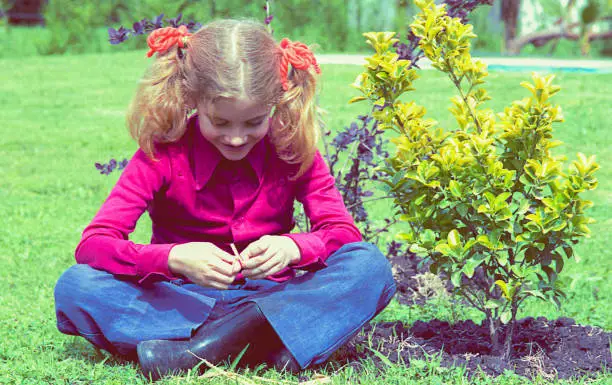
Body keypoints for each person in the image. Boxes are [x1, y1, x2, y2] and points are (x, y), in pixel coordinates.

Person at [53, 19, 396, 380]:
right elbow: (94, 245)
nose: (236, 138)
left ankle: (201, 349)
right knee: (77, 287)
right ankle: (268, 340)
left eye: (253, 122)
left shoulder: (293, 150)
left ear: (274, 103)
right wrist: (173, 258)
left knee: (369, 266)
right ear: (191, 98)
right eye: (220, 122)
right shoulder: (161, 155)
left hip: (271, 297)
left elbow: (342, 232)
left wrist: (293, 248)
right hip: (183, 300)